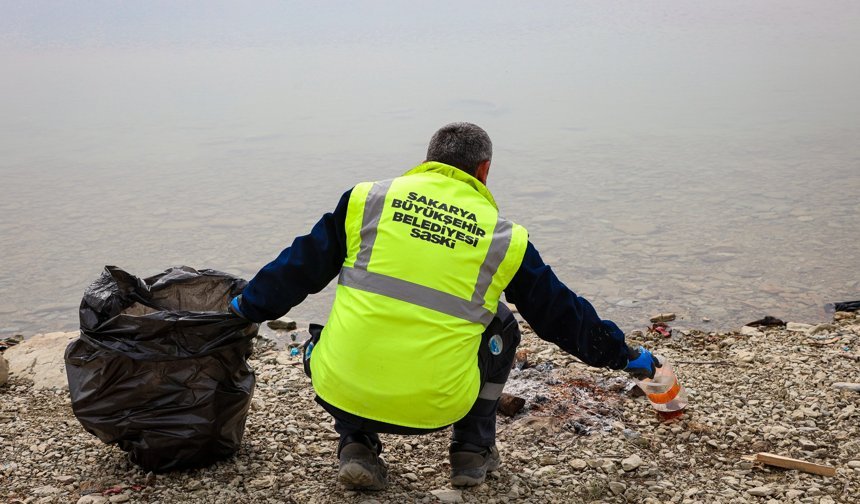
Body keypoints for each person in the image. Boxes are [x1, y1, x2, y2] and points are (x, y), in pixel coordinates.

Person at [229, 122, 659, 490]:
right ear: (484, 170)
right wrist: (623, 355)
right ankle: (472, 450)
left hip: (339, 390)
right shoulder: (502, 238)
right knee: (503, 324)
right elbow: (563, 316)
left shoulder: (367, 201)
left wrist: (242, 310)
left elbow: (294, 270)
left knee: (349, 314)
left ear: (427, 161)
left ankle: (356, 442)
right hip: (437, 405)